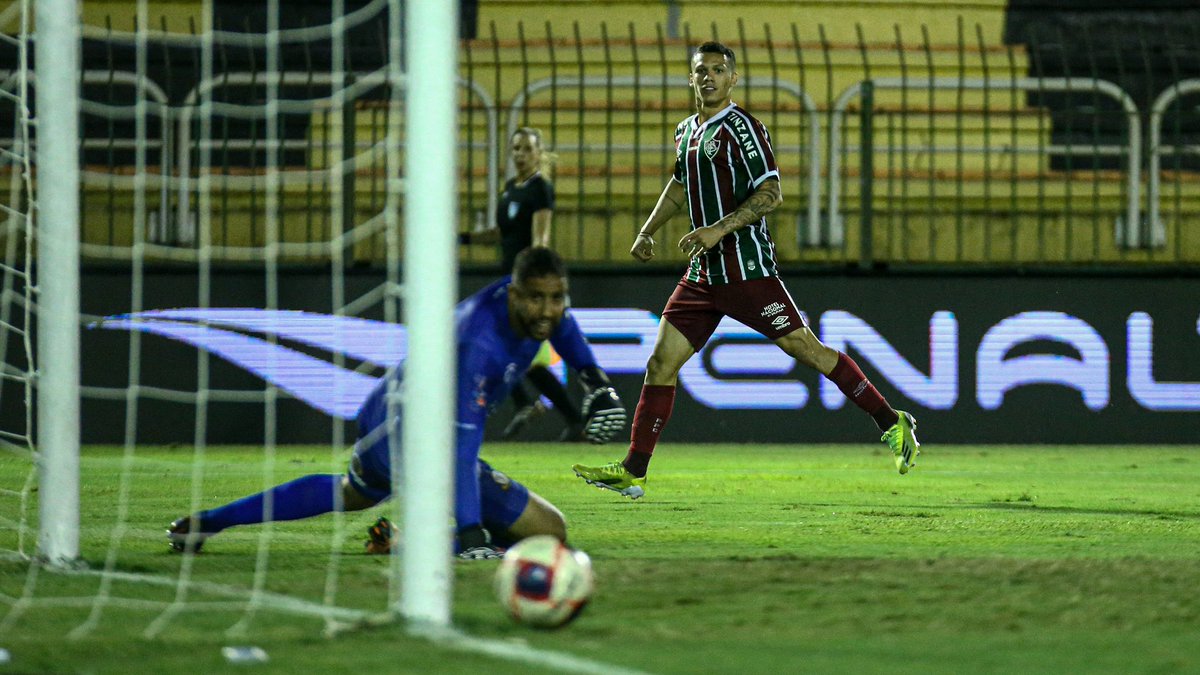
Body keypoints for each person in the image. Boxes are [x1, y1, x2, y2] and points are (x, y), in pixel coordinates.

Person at [571, 42, 920, 500]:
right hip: (702, 275)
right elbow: (680, 184)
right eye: (702, 70)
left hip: (747, 268)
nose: (709, 76)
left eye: (719, 69)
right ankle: (634, 471)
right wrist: (647, 230)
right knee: (660, 363)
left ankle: (892, 422)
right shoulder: (685, 132)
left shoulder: (744, 128)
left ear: (733, 79)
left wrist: (719, 228)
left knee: (805, 349)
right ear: (690, 78)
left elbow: (771, 193)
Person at [168, 247, 628, 558]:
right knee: (550, 532)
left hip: (386, 421)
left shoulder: (534, 313)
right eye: (537, 299)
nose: (548, 309)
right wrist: (471, 534)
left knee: (353, 492)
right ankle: (421, 545)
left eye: (556, 298)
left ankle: (209, 522)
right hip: (412, 433)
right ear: (513, 294)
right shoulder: (477, 347)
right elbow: (460, 451)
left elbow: (566, 331)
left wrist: (597, 384)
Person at [461, 127, 586, 441]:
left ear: (539, 153)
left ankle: (532, 405)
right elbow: (502, 233)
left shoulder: (540, 188)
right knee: (521, 355)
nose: (520, 155)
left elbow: (539, 240)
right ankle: (564, 417)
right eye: (516, 149)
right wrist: (465, 238)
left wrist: (533, 287)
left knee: (506, 347)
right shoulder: (509, 189)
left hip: (524, 286)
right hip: (509, 281)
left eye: (527, 149)